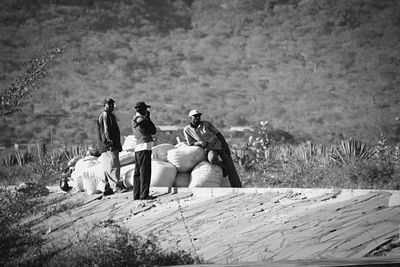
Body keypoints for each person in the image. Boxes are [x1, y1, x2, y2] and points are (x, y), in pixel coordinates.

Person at [183, 109, 242, 187]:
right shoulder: (187, 130)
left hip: (218, 145)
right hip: (209, 148)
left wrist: (225, 146)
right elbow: (191, 143)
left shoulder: (206, 124)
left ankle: (237, 186)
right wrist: (199, 143)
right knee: (212, 159)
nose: (197, 118)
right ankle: (223, 167)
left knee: (230, 166)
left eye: (198, 116)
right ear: (191, 118)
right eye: (195, 116)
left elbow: (218, 134)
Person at [97, 98, 126, 196]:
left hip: (106, 146)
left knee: (107, 167)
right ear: (104, 105)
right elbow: (106, 132)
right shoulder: (105, 115)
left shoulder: (110, 115)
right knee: (113, 166)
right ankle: (115, 187)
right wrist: (111, 143)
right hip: (109, 146)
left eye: (112, 104)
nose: (111, 106)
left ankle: (107, 188)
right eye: (109, 104)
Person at [131, 101, 157, 200]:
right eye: (145, 109)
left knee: (137, 172)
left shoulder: (134, 119)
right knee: (145, 171)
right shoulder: (142, 120)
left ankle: (136, 194)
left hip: (138, 147)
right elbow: (153, 130)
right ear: (143, 110)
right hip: (145, 146)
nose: (147, 111)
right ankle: (144, 195)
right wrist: (148, 118)